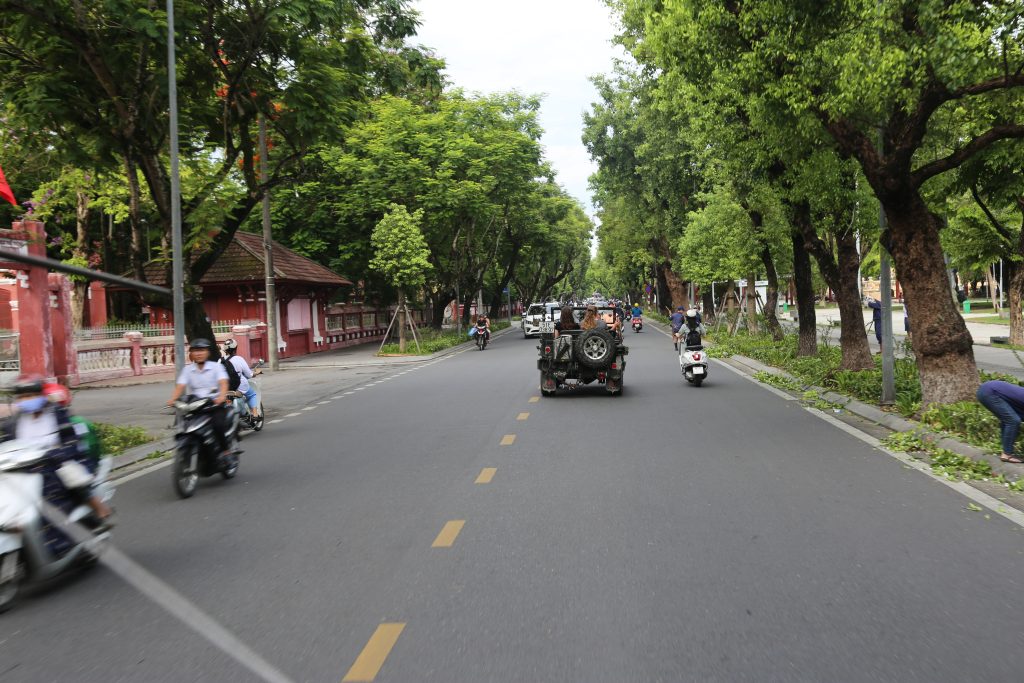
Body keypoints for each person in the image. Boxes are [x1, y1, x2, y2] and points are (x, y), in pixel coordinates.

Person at [3, 377, 112, 540]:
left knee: (70, 474)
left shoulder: (57, 415)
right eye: (22, 397)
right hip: (24, 465)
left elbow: (72, 441)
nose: (26, 400)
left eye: (30, 396)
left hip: (56, 461)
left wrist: (57, 454)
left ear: (41, 396)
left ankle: (98, 508)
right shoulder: (14, 420)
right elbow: (6, 442)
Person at [167, 338, 232, 463]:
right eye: (195, 350)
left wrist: (221, 396)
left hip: (214, 405)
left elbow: (223, 383)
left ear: (207, 352)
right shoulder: (188, 370)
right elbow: (180, 386)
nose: (198, 353)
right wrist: (173, 400)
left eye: (201, 350)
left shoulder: (216, 367)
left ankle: (226, 452)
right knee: (185, 425)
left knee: (218, 425)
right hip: (196, 406)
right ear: (191, 353)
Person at [977, 380, 1024, 463]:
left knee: (1009, 420)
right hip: (990, 392)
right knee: (1013, 421)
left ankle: (1006, 451)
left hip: (987, 390)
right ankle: (1006, 454)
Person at [223, 339, 260, 418]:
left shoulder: (220, 360)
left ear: (225, 350)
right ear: (236, 348)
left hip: (224, 388)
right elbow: (249, 374)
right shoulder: (239, 359)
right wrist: (256, 373)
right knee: (252, 394)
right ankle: (255, 414)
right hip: (239, 386)